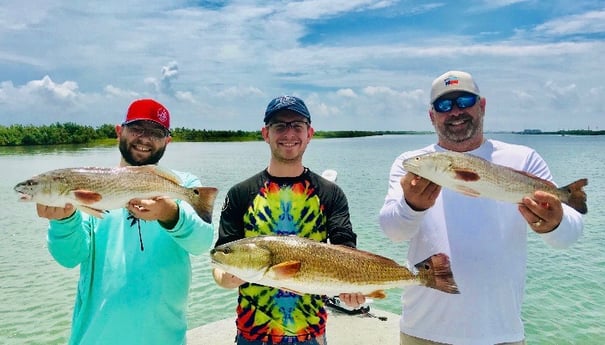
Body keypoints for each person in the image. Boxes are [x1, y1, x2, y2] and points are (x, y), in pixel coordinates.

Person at [379, 71, 584, 345]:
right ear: (432, 116)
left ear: (482, 106)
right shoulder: (411, 163)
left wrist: (554, 222)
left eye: (464, 101)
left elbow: (569, 236)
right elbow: (392, 231)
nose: (455, 112)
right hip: (422, 330)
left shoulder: (523, 159)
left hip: (501, 333)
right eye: (444, 106)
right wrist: (412, 205)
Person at [35, 99, 215, 345]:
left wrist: (170, 213)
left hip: (165, 338)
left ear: (167, 141)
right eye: (137, 129)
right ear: (120, 131)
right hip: (95, 338)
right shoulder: (89, 185)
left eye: (155, 132)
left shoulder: (183, 184)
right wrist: (64, 220)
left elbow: (202, 243)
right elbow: (69, 258)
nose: (144, 138)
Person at [212, 95, 365, 345]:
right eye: (279, 126)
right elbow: (221, 258)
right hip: (252, 333)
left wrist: (353, 284)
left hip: (311, 333)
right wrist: (226, 278)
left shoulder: (330, 193)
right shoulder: (240, 194)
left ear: (309, 133)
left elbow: (345, 248)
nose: (289, 133)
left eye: (297, 125)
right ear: (265, 133)